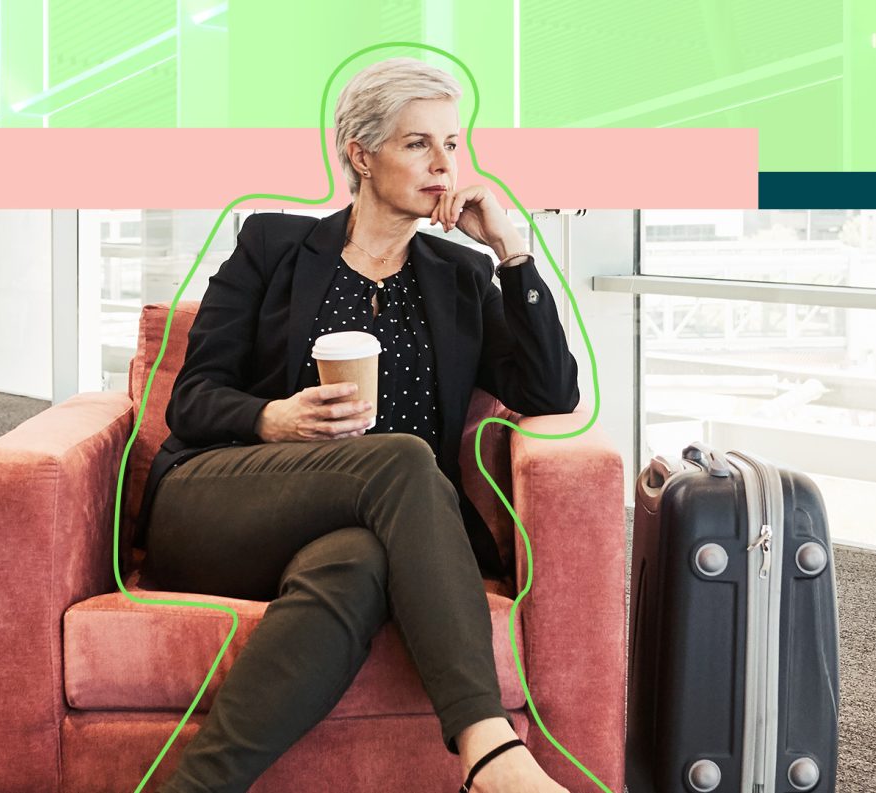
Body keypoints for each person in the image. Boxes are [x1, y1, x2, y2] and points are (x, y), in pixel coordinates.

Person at [137, 57, 577, 793]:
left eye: (454, 144)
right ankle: (492, 755)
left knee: (357, 564)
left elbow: (550, 391)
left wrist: (510, 250)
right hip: (220, 502)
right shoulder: (272, 246)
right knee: (402, 458)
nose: (445, 165)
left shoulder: (460, 277)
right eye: (418, 144)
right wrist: (272, 417)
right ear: (360, 154)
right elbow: (192, 399)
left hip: (359, 528)